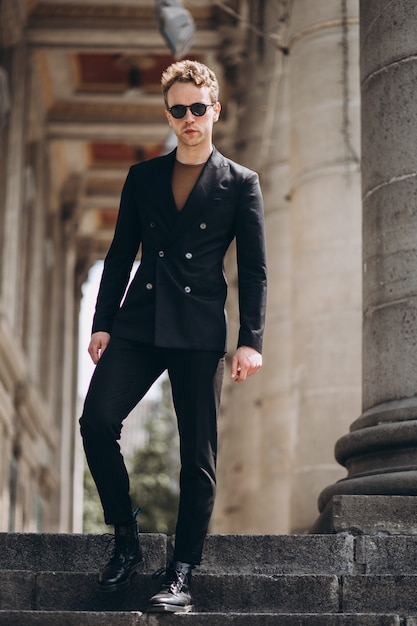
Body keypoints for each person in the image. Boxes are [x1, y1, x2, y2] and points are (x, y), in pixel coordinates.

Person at [79, 59, 267, 614]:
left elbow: (253, 269)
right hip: (139, 322)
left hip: (199, 329)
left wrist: (251, 338)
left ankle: (181, 573)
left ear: (215, 110)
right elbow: (119, 254)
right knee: (95, 422)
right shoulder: (143, 178)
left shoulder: (241, 183)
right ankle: (127, 539)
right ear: (169, 114)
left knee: (198, 457)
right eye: (179, 110)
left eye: (198, 108)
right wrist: (103, 322)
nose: (189, 118)